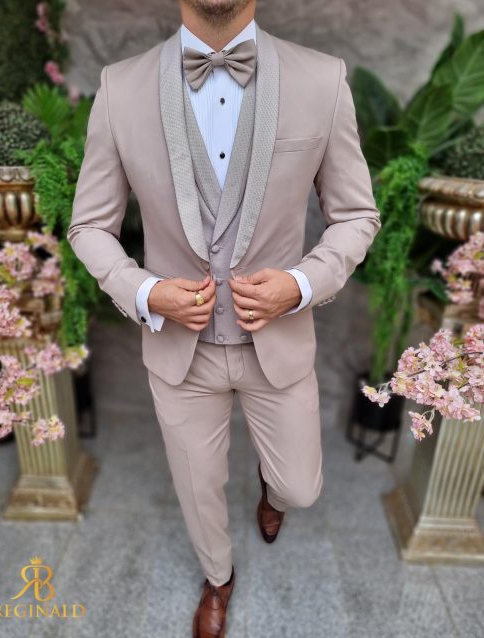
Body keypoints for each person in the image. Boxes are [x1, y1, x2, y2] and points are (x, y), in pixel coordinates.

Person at [67, 1, 381, 635]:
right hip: (180, 352)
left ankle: (272, 489)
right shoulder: (120, 87)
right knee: (198, 489)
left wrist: (299, 284)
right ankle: (218, 578)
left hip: (277, 341)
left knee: (301, 488)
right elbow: (88, 226)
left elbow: (356, 215)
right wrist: (145, 291)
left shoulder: (322, 79)